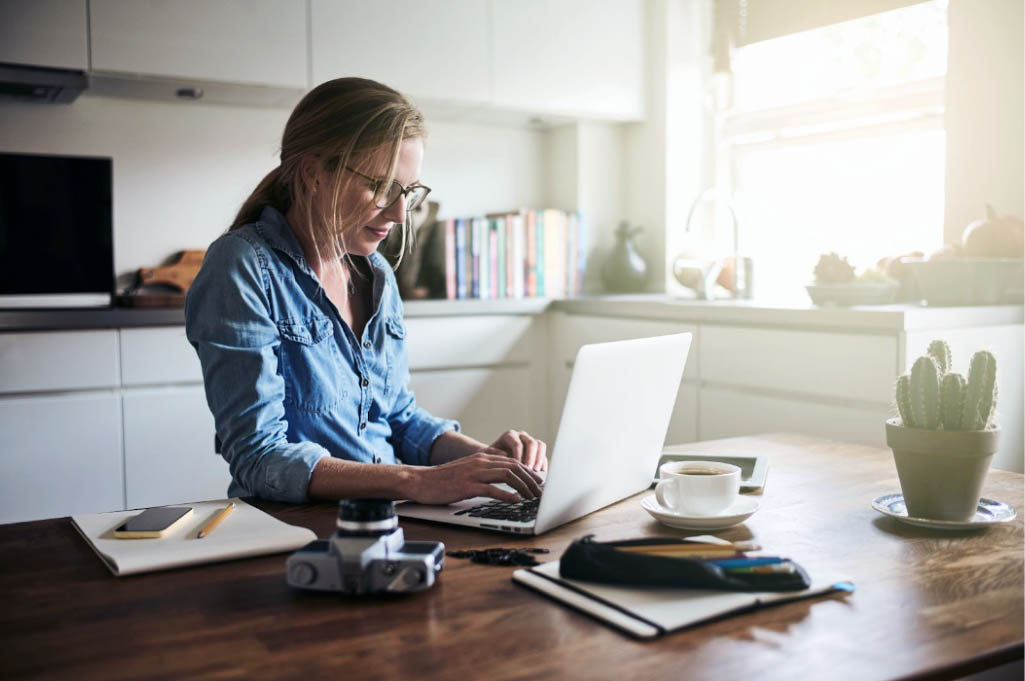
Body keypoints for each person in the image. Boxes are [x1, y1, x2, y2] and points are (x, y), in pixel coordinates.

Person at [185, 77, 546, 506]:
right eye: (380, 187)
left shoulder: (376, 276)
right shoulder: (243, 266)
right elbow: (258, 455)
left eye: (408, 193)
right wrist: (415, 482)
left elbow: (399, 419)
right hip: (295, 529)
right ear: (314, 172)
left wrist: (490, 462)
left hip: (391, 519)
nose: (398, 213)